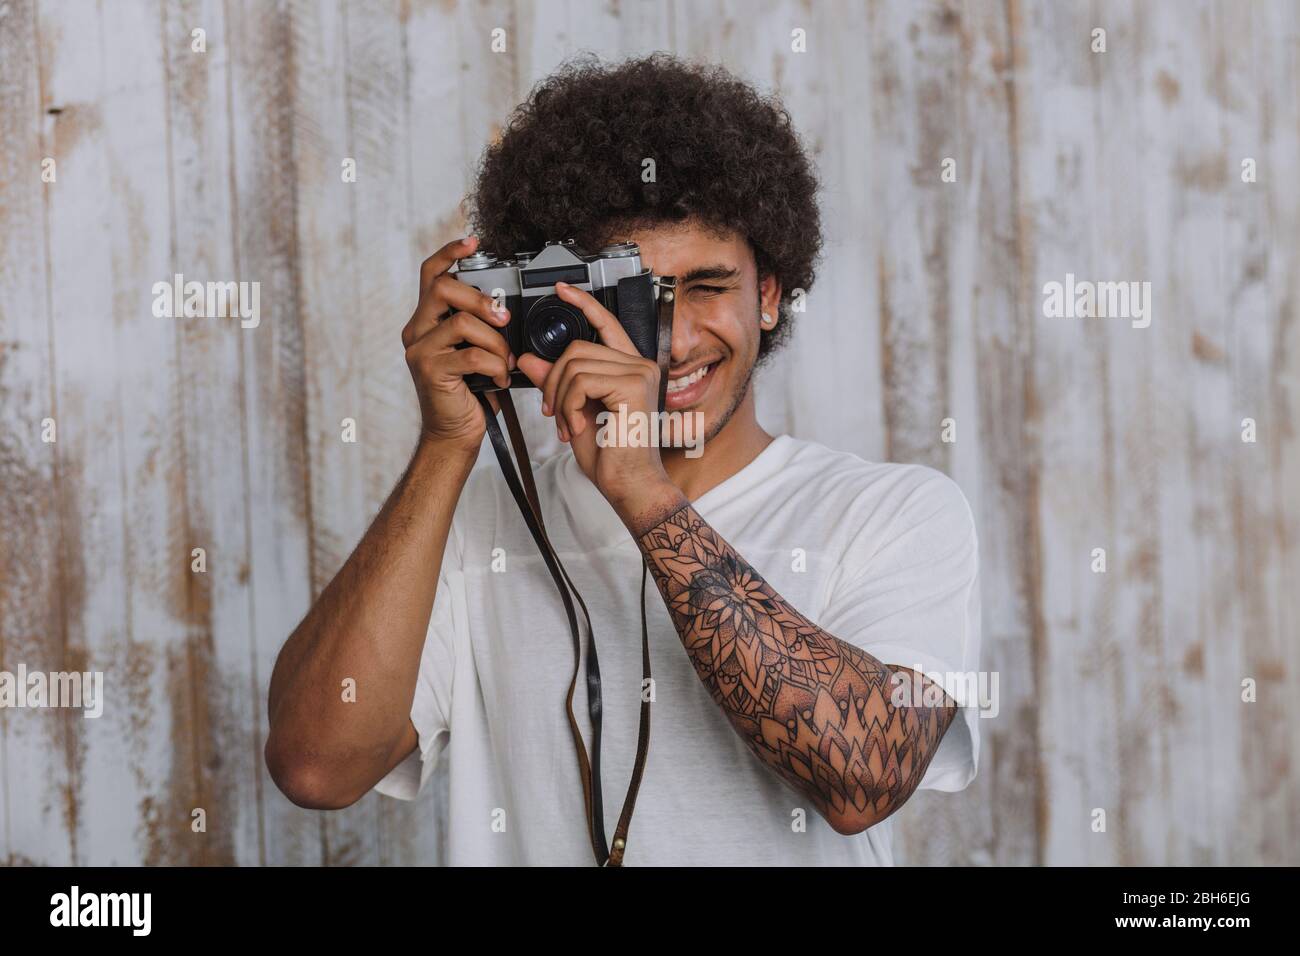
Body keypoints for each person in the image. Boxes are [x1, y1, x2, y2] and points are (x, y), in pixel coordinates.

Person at [265, 53, 982, 866]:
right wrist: (446, 444)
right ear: (556, 301)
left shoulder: (894, 513)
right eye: (632, 297)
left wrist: (640, 486)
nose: (672, 342)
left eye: (708, 286)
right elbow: (315, 766)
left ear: (771, 294)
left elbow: (864, 775)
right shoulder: (479, 527)